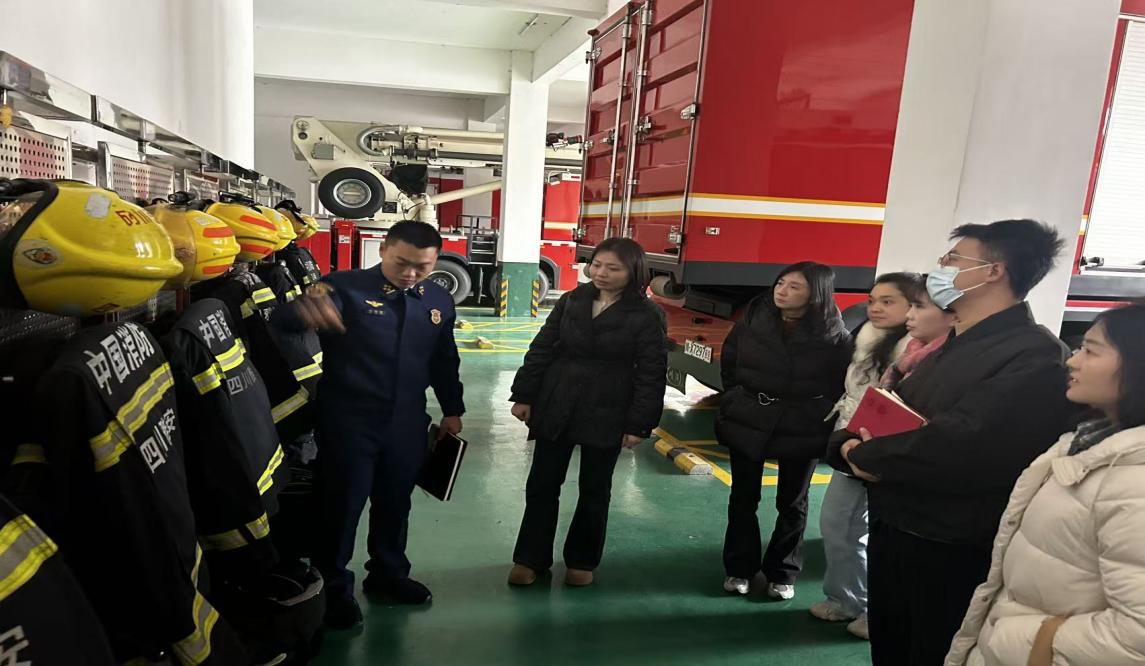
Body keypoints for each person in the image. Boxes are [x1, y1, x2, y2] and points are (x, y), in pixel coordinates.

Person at [827, 219, 1078, 665]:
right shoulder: (951, 343)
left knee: (930, 650)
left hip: (949, 543)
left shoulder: (1034, 354)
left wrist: (860, 452)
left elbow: (962, 441)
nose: (940, 268)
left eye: (953, 259)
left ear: (993, 271)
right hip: (896, 523)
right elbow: (889, 408)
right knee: (892, 645)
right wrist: (844, 444)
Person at [272, 220, 465, 629]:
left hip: (407, 421)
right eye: (402, 263)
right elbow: (283, 319)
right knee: (342, 505)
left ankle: (388, 574)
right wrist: (301, 312)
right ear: (383, 250)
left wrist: (453, 408)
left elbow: (444, 358)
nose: (411, 274)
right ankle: (334, 589)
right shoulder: (341, 286)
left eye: (422, 267)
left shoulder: (438, 300)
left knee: (395, 502)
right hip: (349, 420)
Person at [946, 303, 1145, 666]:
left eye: (1091, 351)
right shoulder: (1087, 444)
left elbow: (1136, 639)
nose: (1073, 361)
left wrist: (1019, 636)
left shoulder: (1133, 480)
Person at [507, 238, 667, 587]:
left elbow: (652, 373)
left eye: (613, 268)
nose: (601, 273)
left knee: (595, 488)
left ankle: (582, 560)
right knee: (542, 483)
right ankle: (530, 558)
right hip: (559, 398)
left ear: (634, 272)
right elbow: (542, 347)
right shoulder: (573, 300)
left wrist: (639, 423)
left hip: (610, 404)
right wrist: (524, 395)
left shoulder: (646, 314)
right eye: (597, 264)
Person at [717, 262, 853, 600]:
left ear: (816, 294)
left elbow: (841, 381)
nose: (783, 291)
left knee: (793, 501)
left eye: (795, 286)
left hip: (803, 422)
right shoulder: (753, 320)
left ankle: (783, 571)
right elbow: (730, 361)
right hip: (750, 416)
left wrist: (819, 411)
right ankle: (739, 568)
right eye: (781, 283)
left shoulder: (833, 334)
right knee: (743, 497)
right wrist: (735, 398)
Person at [813, 272, 921, 639]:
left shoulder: (916, 352)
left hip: (891, 455)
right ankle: (847, 600)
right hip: (854, 447)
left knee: (883, 538)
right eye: (873, 300)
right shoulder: (866, 337)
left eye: (888, 301)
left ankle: (877, 611)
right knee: (838, 525)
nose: (875, 308)